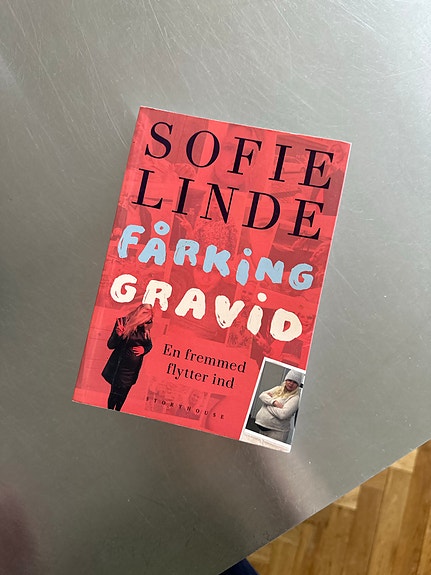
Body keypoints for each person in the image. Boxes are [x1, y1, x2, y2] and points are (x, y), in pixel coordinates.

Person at [102, 303, 153, 411]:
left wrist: (144, 349)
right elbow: (110, 345)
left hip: (132, 371)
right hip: (119, 367)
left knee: (123, 395)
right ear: (140, 316)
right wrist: (118, 335)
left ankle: (118, 411)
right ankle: (109, 412)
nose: (148, 322)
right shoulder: (123, 322)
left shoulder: (145, 328)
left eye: (149, 320)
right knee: (114, 394)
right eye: (147, 319)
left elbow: (149, 344)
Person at [255, 370, 302, 443]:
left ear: (298, 385)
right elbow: (262, 395)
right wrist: (274, 402)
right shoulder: (278, 388)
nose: (291, 384)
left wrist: (267, 403)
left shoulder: (295, 398)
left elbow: (282, 414)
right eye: (289, 380)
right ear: (286, 380)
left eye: (295, 382)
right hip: (262, 430)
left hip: (276, 434)